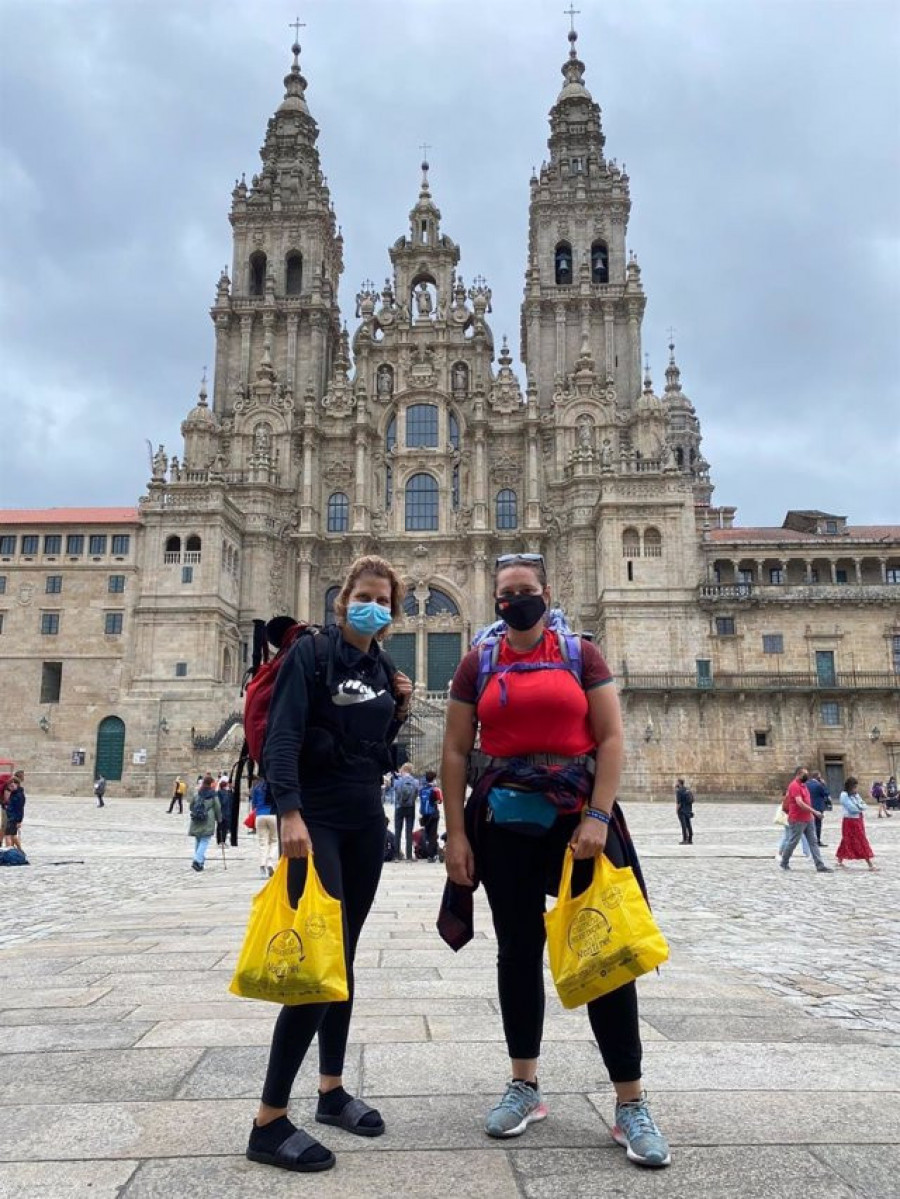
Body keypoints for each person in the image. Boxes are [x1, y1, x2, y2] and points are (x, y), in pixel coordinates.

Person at [441, 552, 671, 1169]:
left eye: (526, 590)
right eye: (507, 592)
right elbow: (457, 752)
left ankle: (630, 1101)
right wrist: (454, 835)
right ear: (494, 601)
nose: (517, 599)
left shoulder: (581, 655)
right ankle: (524, 1086)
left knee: (604, 951)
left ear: (547, 593)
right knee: (517, 950)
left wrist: (598, 816)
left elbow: (611, 736)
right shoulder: (477, 663)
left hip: (578, 817)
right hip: (506, 819)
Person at [247, 554, 412, 1174]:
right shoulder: (309, 656)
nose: (375, 606)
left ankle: (331, 1090)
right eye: (365, 596)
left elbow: (379, 751)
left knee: (341, 960)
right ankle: (268, 1121)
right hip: (314, 822)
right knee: (317, 964)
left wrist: (397, 710)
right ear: (343, 600)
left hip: (365, 820)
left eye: (385, 601)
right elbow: (285, 735)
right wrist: (288, 813)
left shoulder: (382, 665)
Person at [780, 767, 833, 873]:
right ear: (799, 774)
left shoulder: (804, 785)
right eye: (805, 774)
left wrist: (811, 815)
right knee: (793, 842)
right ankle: (784, 861)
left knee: (813, 842)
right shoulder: (794, 785)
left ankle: (820, 865)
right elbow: (799, 803)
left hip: (808, 819)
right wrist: (815, 812)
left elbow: (807, 801)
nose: (807, 776)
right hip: (797, 819)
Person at [835, 777, 877, 870]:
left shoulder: (856, 795)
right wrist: (859, 808)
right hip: (849, 820)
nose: (855, 789)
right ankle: (870, 864)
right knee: (856, 839)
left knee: (854, 838)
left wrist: (860, 807)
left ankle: (839, 861)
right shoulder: (844, 795)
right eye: (854, 787)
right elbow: (851, 808)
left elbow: (863, 804)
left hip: (858, 819)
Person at [188, 773, 221, 872]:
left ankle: (200, 863)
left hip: (197, 818)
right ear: (211, 784)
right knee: (204, 840)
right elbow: (217, 807)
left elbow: (191, 806)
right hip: (208, 819)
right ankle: (197, 860)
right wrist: (219, 819)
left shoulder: (197, 793)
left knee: (198, 840)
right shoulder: (213, 795)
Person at [251, 774, 278, 879]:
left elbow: (253, 804)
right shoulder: (273, 785)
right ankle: (270, 862)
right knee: (274, 841)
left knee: (263, 842)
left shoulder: (256, 787)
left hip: (260, 815)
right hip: (272, 815)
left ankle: (262, 865)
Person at [393, 763, 418, 862]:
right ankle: (408, 856)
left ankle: (396, 856)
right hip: (410, 807)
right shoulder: (415, 782)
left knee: (397, 831)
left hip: (399, 807)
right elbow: (416, 794)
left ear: (403, 770)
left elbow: (395, 792)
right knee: (409, 831)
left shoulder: (397, 782)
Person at [419, 770, 443, 862]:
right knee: (433, 834)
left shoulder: (422, 789)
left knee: (428, 834)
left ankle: (431, 852)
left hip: (424, 814)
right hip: (433, 814)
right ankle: (431, 855)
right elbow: (440, 801)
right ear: (434, 778)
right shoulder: (435, 789)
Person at [806, 770, 831, 846]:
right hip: (818, 807)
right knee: (818, 824)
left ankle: (810, 840)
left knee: (810, 824)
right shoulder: (819, 785)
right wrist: (824, 784)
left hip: (809, 806)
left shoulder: (807, 784)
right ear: (818, 777)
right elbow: (826, 793)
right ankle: (817, 840)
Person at [3, 771, 26, 851]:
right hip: (13, 817)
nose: (10, 787)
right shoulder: (16, 793)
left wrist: (19, 821)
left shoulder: (18, 795)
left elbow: (19, 808)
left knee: (8, 835)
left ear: (16, 784)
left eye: (12, 786)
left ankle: (8, 851)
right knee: (13, 835)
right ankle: (20, 850)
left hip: (13, 818)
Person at [674, 778, 694, 845]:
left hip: (682, 810)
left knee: (683, 825)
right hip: (688, 810)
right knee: (689, 825)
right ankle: (690, 839)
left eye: (676, 782)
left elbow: (678, 803)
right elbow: (692, 800)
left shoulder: (679, 791)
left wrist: (676, 810)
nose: (675, 783)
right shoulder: (687, 789)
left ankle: (685, 840)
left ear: (679, 783)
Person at [216, 777, 234, 848]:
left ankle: (221, 841)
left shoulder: (227, 793)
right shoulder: (221, 793)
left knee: (222, 828)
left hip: (225, 813)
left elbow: (231, 802)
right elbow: (223, 802)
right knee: (222, 828)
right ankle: (221, 841)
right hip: (224, 813)